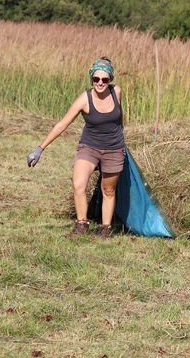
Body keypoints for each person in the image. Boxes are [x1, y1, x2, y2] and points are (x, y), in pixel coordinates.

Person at [26, 57, 125, 238]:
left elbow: (120, 118)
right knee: (78, 184)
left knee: (108, 190)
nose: (100, 83)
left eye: (105, 79)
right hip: (90, 146)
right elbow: (62, 125)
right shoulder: (84, 99)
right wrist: (40, 149)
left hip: (113, 148)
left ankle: (105, 229)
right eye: (96, 79)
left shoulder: (116, 92)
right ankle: (81, 226)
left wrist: (121, 139)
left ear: (110, 79)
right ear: (91, 79)